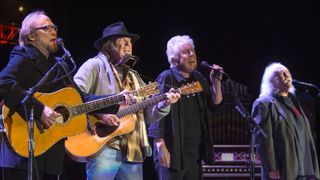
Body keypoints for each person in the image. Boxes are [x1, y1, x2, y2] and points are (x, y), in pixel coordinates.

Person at [0, 11, 119, 180]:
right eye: (47, 28)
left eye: (54, 27)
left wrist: (118, 98)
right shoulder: (23, 57)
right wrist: (40, 109)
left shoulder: (59, 66)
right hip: (24, 148)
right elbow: (4, 82)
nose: (54, 31)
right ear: (32, 36)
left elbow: (81, 98)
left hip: (52, 154)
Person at [73, 22, 180, 180]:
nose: (128, 45)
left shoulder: (134, 77)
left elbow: (147, 116)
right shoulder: (94, 66)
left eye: (129, 42)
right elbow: (74, 97)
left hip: (132, 150)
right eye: (122, 41)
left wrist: (165, 104)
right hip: (103, 146)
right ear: (108, 46)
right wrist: (101, 114)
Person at [148, 35, 223, 180]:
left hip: (194, 152)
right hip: (172, 150)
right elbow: (154, 113)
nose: (191, 54)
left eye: (192, 51)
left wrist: (216, 83)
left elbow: (214, 105)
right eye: (185, 52)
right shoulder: (166, 78)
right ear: (174, 60)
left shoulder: (198, 78)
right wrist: (160, 144)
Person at [252, 62, 320, 180]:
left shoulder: (294, 101)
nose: (287, 75)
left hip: (305, 168)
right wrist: (271, 168)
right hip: (285, 169)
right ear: (271, 80)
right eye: (281, 73)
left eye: (288, 72)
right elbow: (264, 140)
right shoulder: (264, 103)